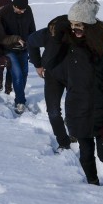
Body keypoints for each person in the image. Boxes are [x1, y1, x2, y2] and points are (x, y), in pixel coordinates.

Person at [52, 0, 103, 191]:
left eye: (79, 26)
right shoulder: (67, 42)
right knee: (85, 154)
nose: (74, 30)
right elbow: (49, 62)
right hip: (78, 108)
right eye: (71, 25)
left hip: (102, 110)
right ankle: (92, 183)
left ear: (89, 25)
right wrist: (58, 32)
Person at [28, 14, 70, 149]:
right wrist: (38, 64)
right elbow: (31, 41)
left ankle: (74, 132)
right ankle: (63, 143)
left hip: (74, 77)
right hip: (53, 75)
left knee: (75, 110)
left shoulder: (78, 37)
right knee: (53, 111)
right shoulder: (48, 34)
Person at [1, 0, 36, 114]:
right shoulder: (4, 12)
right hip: (9, 49)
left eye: (24, 9)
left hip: (24, 48)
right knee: (17, 74)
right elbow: (0, 36)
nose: (22, 11)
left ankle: (18, 93)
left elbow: (32, 29)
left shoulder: (28, 10)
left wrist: (32, 46)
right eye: (20, 9)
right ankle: (20, 101)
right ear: (14, 6)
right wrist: (15, 39)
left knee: (24, 73)